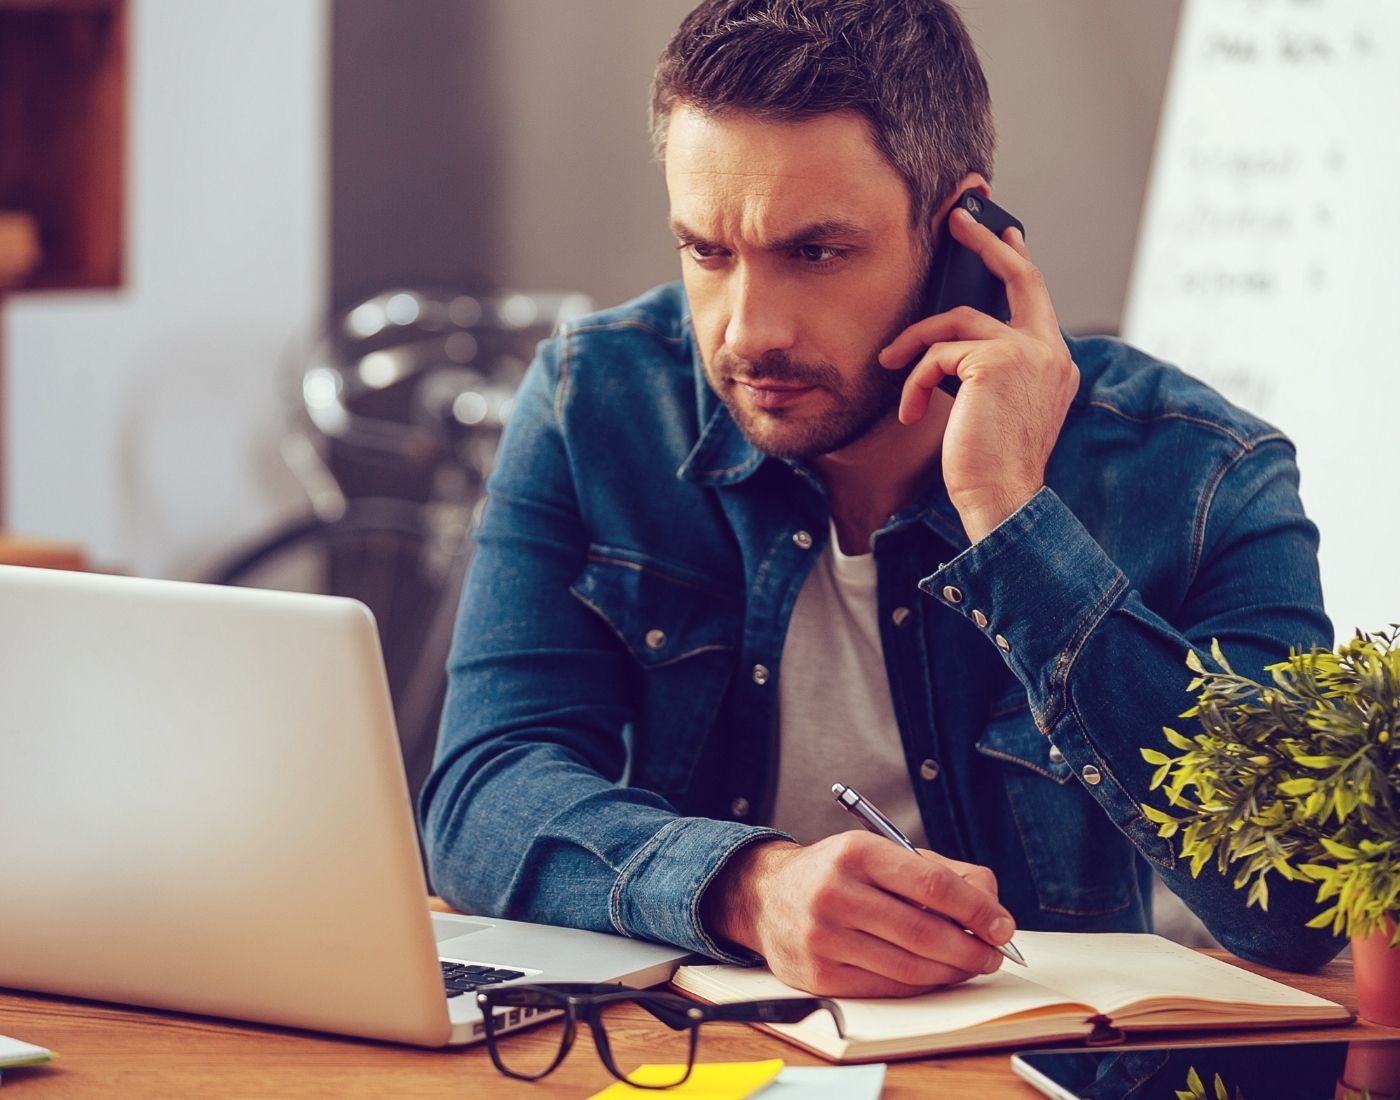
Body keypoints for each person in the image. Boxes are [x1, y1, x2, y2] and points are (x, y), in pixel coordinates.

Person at [420, 0, 1343, 996]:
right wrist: (745, 887)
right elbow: (482, 790)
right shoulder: (592, 404)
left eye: (814, 252)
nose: (746, 332)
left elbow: (1296, 905)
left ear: (960, 236)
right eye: (707, 252)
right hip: (683, 1060)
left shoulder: (1203, 472)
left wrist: (1010, 515)